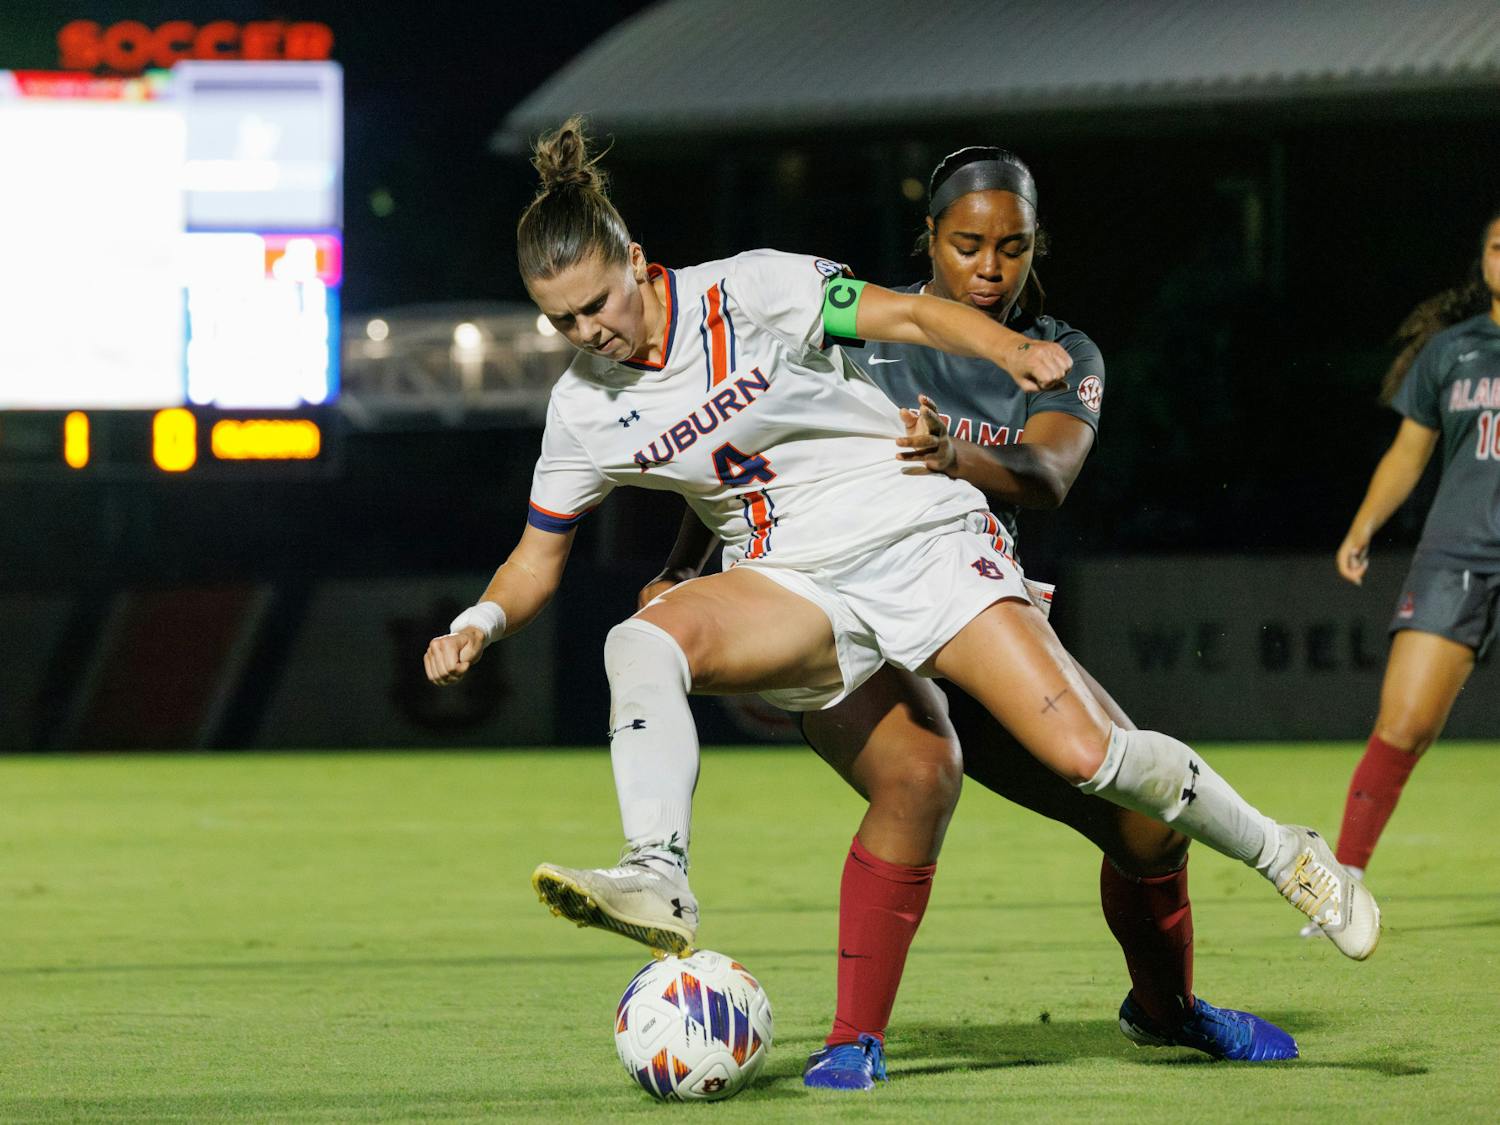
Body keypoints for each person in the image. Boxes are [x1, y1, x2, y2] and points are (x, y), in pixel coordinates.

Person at [423, 116, 1379, 1046]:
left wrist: (1013, 351)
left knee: (1094, 756)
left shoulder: (748, 290)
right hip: (788, 575)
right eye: (564, 320)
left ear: (636, 260)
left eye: (599, 303)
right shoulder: (582, 409)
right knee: (638, 640)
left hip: (913, 534)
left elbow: (912, 310)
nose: (591, 331)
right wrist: (482, 618)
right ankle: (658, 871)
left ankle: (1286, 853)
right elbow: (538, 554)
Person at [639, 147, 1299, 1086]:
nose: (988, 268)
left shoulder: (1062, 354)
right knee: (919, 770)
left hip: (975, 615)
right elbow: (735, 446)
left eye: (1012, 247)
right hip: (843, 611)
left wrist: (957, 457)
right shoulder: (861, 329)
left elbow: (1050, 476)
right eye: (966, 245)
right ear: (930, 240)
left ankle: (1167, 1011)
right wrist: (676, 569)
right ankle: (852, 1038)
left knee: (1150, 825)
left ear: (1038, 248)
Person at [1308, 208, 1500, 930]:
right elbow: (1407, 455)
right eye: (1498, 247)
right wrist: (1362, 527)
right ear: (1482, 258)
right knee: (1404, 721)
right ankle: (1344, 885)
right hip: (1456, 556)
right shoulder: (1451, 352)